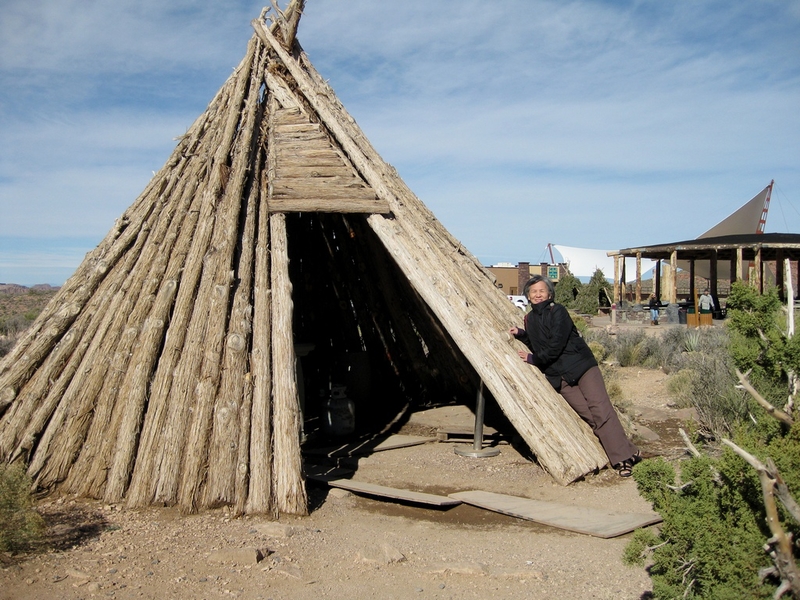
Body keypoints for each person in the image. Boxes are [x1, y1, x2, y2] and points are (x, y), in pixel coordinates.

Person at [509, 275, 641, 476]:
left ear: (549, 294)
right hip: (559, 377)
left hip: (581, 367)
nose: (537, 294)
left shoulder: (558, 311)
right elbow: (538, 343)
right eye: (533, 291)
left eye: (541, 290)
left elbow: (556, 344)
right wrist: (522, 334)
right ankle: (629, 451)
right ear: (528, 295)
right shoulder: (529, 319)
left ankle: (622, 460)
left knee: (601, 410)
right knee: (591, 416)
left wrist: (534, 359)